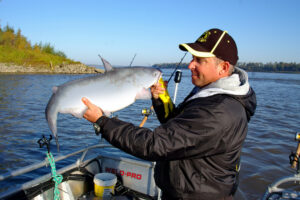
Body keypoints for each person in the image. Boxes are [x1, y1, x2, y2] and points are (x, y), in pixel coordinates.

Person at [82, 28, 257, 200]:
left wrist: (102, 121)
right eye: (192, 58)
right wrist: (160, 99)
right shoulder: (210, 94)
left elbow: (154, 144)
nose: (190, 65)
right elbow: (178, 130)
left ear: (223, 68)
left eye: (199, 60)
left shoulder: (219, 110)